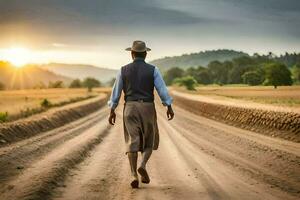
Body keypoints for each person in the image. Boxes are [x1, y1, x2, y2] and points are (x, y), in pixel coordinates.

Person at [108, 40, 174, 188]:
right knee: (149, 139)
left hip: (130, 108)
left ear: (132, 54)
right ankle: (143, 164)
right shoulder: (153, 70)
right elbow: (162, 90)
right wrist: (168, 105)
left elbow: (116, 92)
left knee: (132, 140)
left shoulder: (122, 70)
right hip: (148, 108)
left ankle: (133, 175)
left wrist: (112, 110)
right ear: (145, 54)